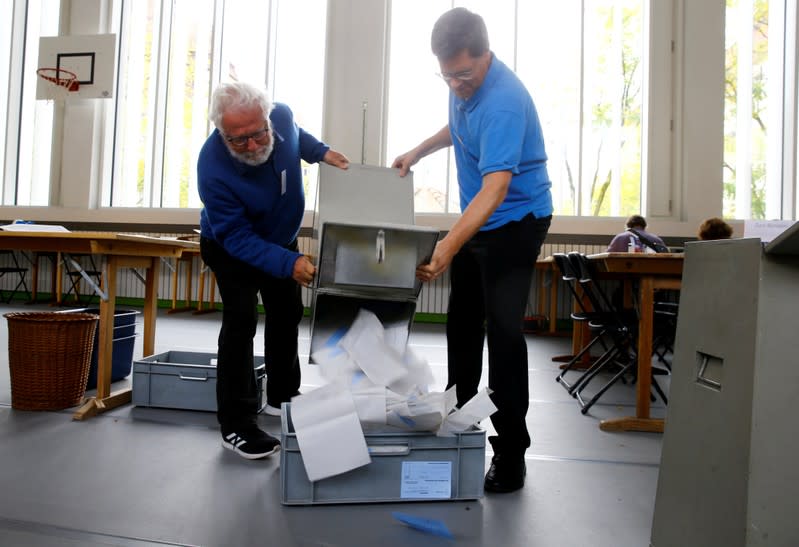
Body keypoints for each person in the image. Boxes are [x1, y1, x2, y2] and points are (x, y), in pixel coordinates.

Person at [392, 8, 553, 493]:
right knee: (462, 320)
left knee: (503, 329)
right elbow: (459, 128)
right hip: (481, 217)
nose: (457, 84)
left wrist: (449, 243)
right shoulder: (460, 85)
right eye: (447, 75)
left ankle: (511, 452)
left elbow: (496, 188)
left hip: (517, 219)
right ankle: (461, 419)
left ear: (487, 55)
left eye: (465, 73)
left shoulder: (503, 100)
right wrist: (418, 150)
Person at [198, 82, 349, 460]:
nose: (252, 146)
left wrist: (321, 153)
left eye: (258, 133)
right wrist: (289, 264)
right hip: (231, 247)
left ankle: (282, 397)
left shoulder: (281, 116)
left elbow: (298, 138)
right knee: (241, 322)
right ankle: (236, 424)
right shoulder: (212, 167)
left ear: (268, 119)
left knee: (287, 314)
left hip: (281, 238)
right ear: (221, 133)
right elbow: (236, 238)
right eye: (239, 140)